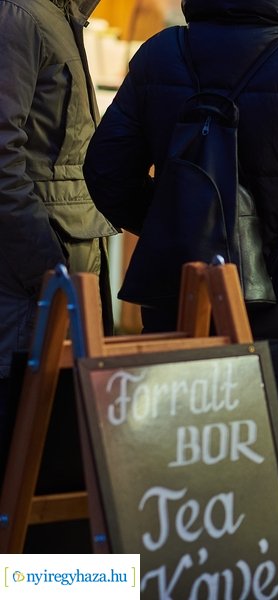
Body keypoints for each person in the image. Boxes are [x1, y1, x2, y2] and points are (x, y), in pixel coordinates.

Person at [82, 0, 278, 552]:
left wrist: (174, 229)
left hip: (182, 299)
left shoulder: (161, 54)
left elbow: (105, 168)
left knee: (185, 477)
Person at [0, 0, 117, 481]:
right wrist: (49, 271)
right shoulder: (22, 16)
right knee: (30, 468)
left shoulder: (61, 17)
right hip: (38, 291)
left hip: (69, 274)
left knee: (69, 468)